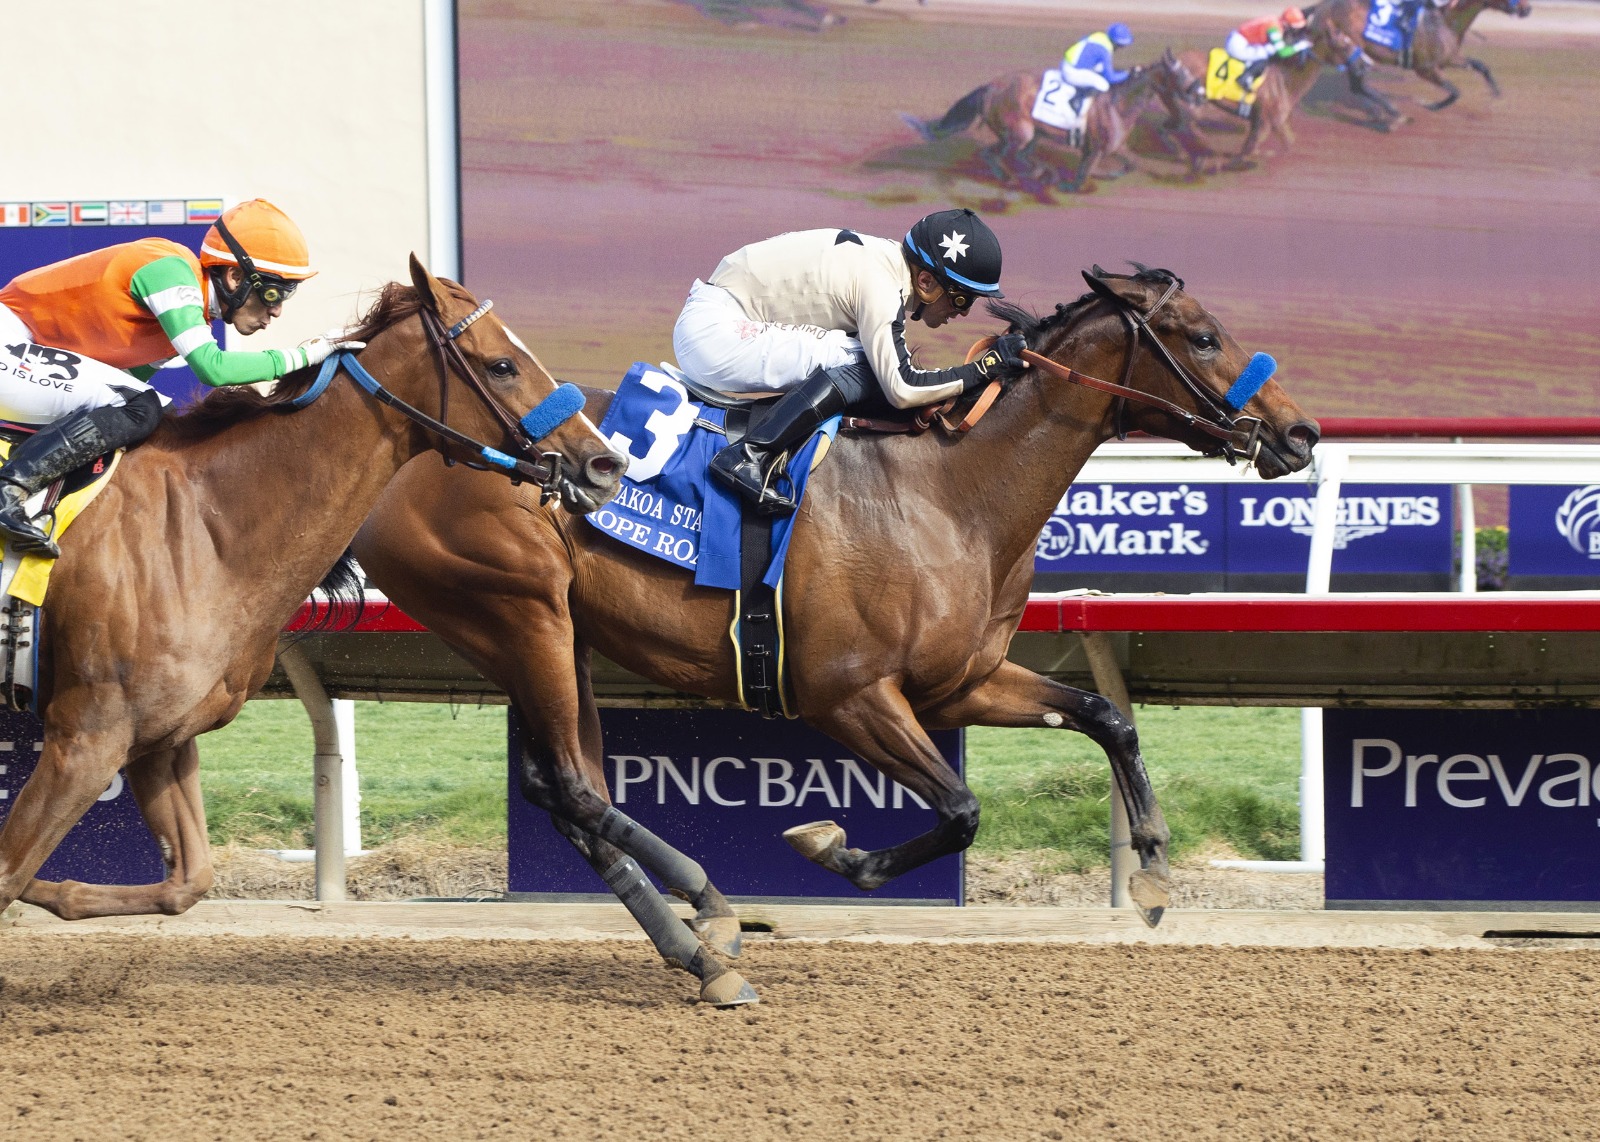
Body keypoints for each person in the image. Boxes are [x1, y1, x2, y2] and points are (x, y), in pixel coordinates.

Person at [0, 198, 338, 556]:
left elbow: (121, 385)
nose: (277, 309)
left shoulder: (183, 321)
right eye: (273, 291)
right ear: (235, 276)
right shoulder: (172, 270)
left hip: (21, 354)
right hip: (9, 340)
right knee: (142, 406)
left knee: (145, 412)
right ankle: (9, 491)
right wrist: (303, 356)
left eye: (287, 294)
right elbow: (214, 369)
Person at [672, 208, 1029, 515]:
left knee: (864, 359)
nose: (962, 313)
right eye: (962, 299)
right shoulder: (881, 283)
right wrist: (983, 368)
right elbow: (902, 389)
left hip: (718, 320)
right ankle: (750, 455)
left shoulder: (883, 264)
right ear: (925, 281)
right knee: (865, 364)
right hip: (715, 332)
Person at [1225, 7, 1311, 92]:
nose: (1295, 29)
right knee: (1268, 53)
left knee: (1270, 50)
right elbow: (1282, 52)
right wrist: (1299, 46)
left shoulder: (1277, 22)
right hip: (1237, 46)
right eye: (1294, 27)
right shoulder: (1273, 28)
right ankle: (1245, 78)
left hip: (1243, 41)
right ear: (1286, 23)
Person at [1061, 22, 1135, 114]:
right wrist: (1127, 74)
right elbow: (1110, 78)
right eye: (1121, 46)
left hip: (1068, 63)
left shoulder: (1099, 36)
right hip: (1072, 72)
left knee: (1099, 70)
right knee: (1103, 85)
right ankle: (1076, 100)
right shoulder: (1105, 51)